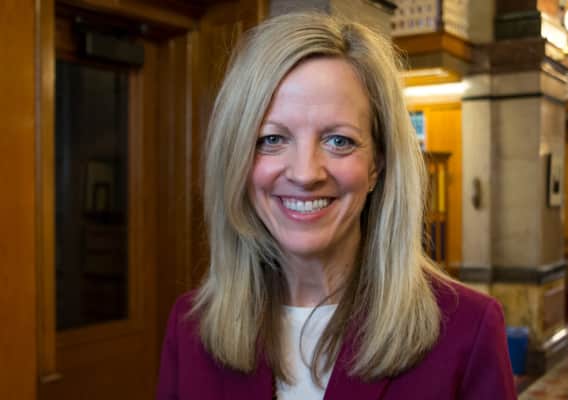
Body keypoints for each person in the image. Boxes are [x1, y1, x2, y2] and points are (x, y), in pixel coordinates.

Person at [157, 12, 517, 400]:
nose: (305, 173)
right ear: (237, 159)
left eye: (338, 141)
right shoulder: (190, 327)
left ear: (377, 164)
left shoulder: (468, 330)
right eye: (272, 139)